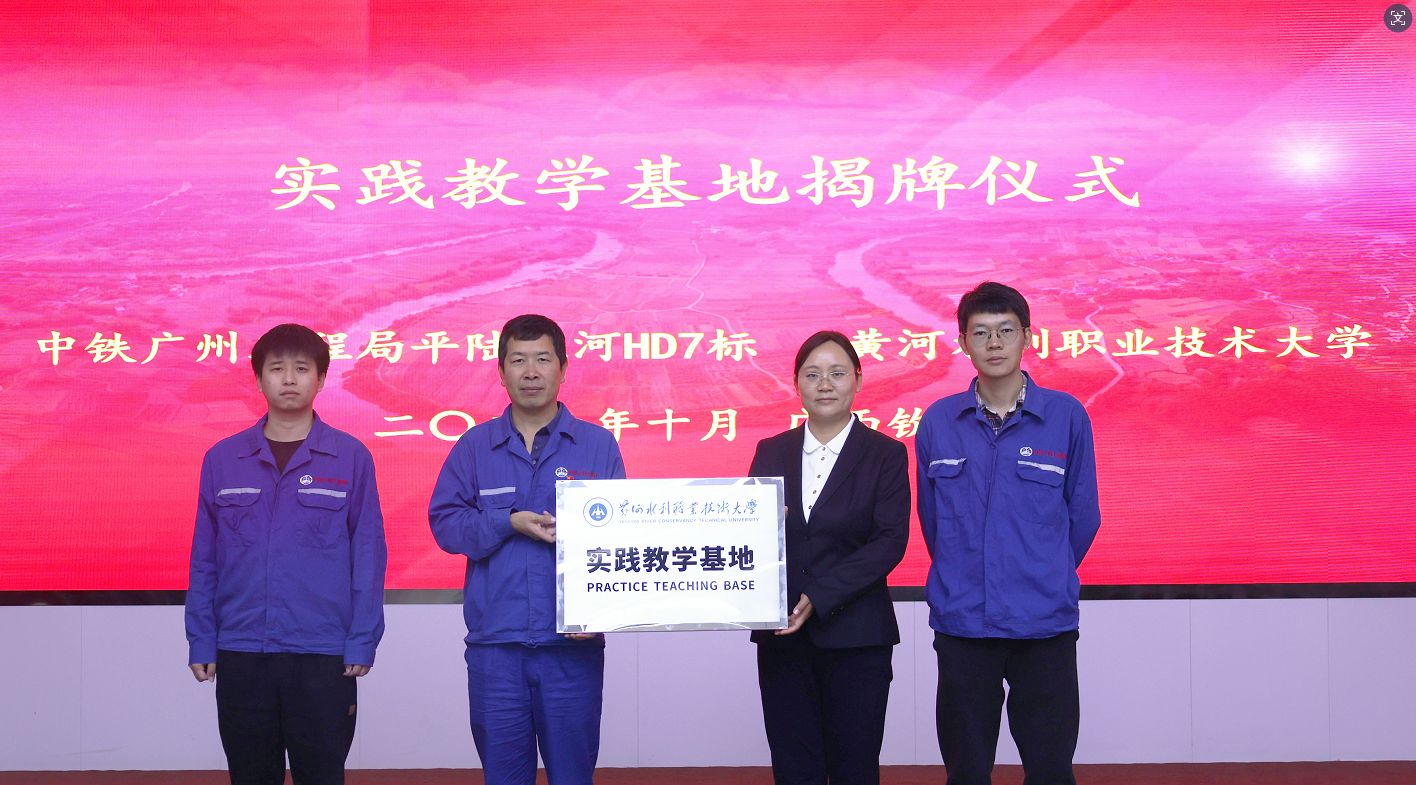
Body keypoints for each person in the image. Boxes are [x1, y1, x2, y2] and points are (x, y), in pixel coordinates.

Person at [185, 323, 387, 785]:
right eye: (277, 369)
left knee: (322, 775)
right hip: (241, 649)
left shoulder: (350, 457)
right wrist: (201, 638)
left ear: (321, 379)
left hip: (322, 652)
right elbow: (205, 558)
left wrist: (362, 639)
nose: (290, 379)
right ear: (259, 379)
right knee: (251, 775)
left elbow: (368, 555)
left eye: (302, 368)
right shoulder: (223, 459)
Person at [916, 282, 1101, 785]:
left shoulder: (1065, 416)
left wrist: (1042, 569)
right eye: (981, 333)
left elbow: (1083, 516)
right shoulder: (939, 421)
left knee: (1050, 770)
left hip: (1043, 625)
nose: (994, 343)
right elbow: (933, 522)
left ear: (1027, 337)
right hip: (963, 624)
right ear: (963, 342)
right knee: (966, 772)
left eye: (1005, 331)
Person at [429, 314, 626, 785]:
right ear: (501, 372)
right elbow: (446, 526)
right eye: (518, 360)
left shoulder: (597, 445)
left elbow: (622, 538)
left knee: (572, 776)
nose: (531, 372)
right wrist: (507, 521)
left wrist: (600, 613)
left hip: (571, 649)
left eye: (543, 359)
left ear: (563, 368)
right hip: (497, 649)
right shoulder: (474, 447)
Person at [747, 331, 911, 785]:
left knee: (853, 768)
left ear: (857, 379)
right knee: (794, 768)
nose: (824, 384)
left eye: (837, 373)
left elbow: (889, 542)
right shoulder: (771, 450)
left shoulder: (885, 454)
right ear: (796, 382)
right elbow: (747, 537)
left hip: (858, 639)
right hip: (783, 638)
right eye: (812, 374)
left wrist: (819, 597)